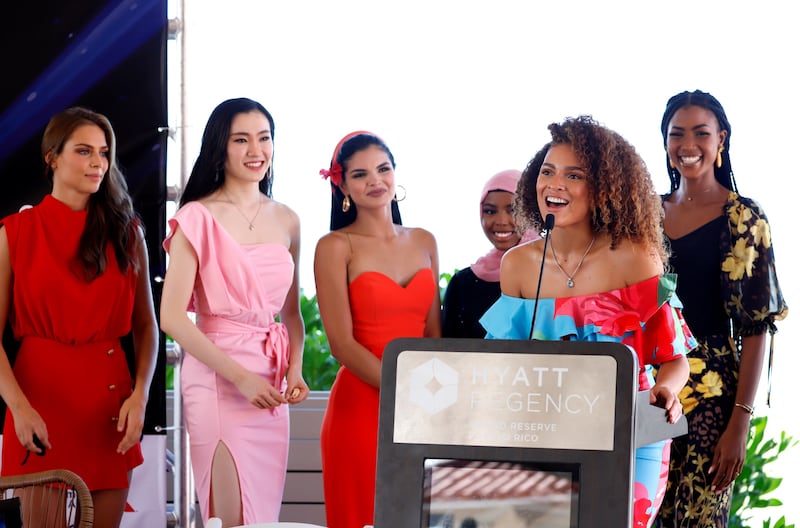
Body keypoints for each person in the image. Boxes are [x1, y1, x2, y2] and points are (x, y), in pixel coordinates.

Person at [480, 115, 694, 528]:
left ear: (604, 188)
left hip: (631, 436)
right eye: (547, 172)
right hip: (547, 436)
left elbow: (675, 359)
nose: (554, 185)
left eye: (573, 175)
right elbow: (502, 367)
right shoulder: (518, 266)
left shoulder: (636, 257)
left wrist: (666, 391)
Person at [0, 107, 158, 527]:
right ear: (52, 157)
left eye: (104, 153)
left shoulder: (127, 232)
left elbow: (147, 327)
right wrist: (18, 408)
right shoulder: (15, 232)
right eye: (84, 151)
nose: (98, 164)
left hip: (109, 406)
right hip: (38, 405)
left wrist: (140, 396)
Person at [160, 98, 308, 526]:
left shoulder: (289, 219)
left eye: (264, 138)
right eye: (240, 139)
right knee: (229, 517)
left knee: (260, 516)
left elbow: (292, 316)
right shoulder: (196, 216)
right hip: (217, 379)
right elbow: (171, 318)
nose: (255, 150)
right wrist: (239, 376)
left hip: (271, 380)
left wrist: (295, 369)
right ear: (219, 148)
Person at [655, 90, 788, 527]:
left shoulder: (744, 217)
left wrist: (740, 425)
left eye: (700, 133)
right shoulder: (644, 215)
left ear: (721, 140)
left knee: (697, 519)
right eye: (677, 134)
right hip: (645, 385)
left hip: (712, 395)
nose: (687, 144)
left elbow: (756, 328)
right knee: (638, 512)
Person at [315, 131, 441, 528]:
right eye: (360, 174)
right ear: (342, 185)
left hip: (424, 404)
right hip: (361, 406)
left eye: (383, 169)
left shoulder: (425, 241)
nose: (375, 181)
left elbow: (434, 335)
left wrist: (426, 395)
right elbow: (341, 344)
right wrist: (405, 389)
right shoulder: (335, 246)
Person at [442, 169, 528, 338]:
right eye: (490, 211)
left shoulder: (549, 276)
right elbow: (447, 353)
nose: (501, 221)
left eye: (512, 210)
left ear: (530, 212)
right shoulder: (462, 284)